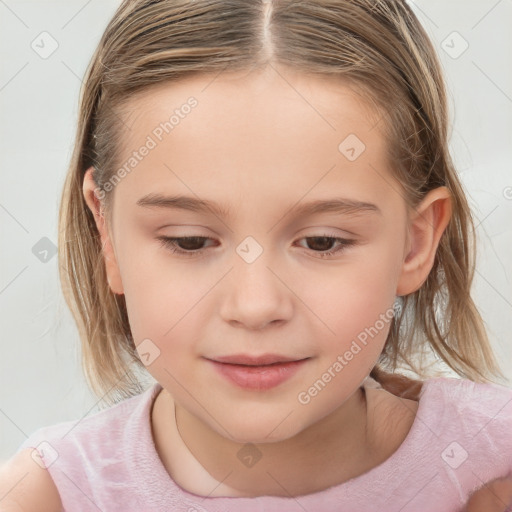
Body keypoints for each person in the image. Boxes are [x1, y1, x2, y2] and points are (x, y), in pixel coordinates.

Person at [1, 0, 511, 510]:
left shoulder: (494, 468)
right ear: (106, 235)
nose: (255, 305)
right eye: (190, 241)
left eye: (322, 242)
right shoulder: (47, 496)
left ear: (415, 243)